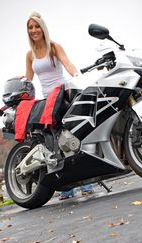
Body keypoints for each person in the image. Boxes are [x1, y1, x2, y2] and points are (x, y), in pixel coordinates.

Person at [25, 11, 94, 200]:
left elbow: (68, 64)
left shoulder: (54, 47)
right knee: (54, 143)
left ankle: (86, 183)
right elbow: (29, 81)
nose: (34, 30)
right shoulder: (30, 55)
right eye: (30, 27)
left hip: (62, 94)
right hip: (47, 101)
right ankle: (66, 188)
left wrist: (79, 78)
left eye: (37, 26)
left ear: (43, 27)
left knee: (72, 136)